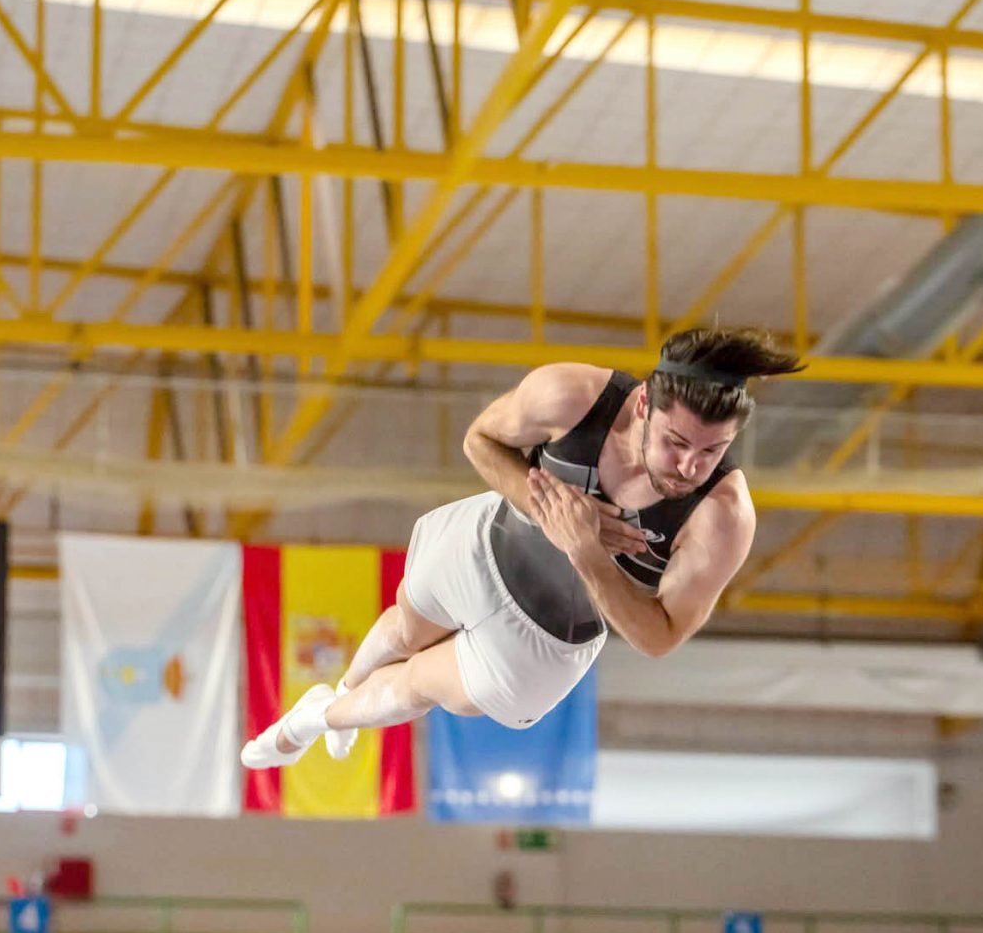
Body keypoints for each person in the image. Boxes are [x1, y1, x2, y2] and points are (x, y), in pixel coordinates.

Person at [242, 329, 800, 768]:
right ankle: (343, 688)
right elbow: (480, 441)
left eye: (713, 451)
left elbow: (660, 637)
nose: (690, 466)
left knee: (416, 687)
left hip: (544, 644)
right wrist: (547, 510)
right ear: (642, 405)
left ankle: (316, 719)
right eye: (677, 443)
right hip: (487, 547)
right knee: (407, 630)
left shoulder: (722, 515)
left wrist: (586, 552)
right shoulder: (573, 396)